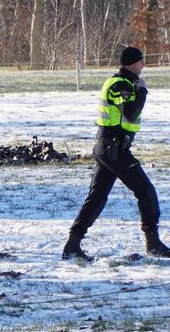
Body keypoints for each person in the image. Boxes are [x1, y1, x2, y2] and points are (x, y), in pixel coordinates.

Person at [64, 46, 170, 261]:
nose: (143, 65)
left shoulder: (126, 83)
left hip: (112, 149)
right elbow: (130, 114)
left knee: (97, 197)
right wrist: (143, 91)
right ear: (133, 63)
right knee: (146, 191)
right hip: (113, 149)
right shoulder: (120, 84)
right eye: (141, 61)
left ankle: (72, 245)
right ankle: (153, 243)